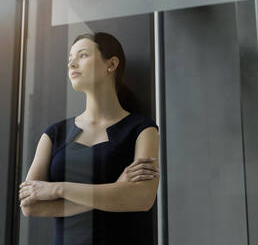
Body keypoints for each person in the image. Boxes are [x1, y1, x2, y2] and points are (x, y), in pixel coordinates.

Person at [18, 32, 160, 245]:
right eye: (69, 59)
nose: (72, 63)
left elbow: (141, 198)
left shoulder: (142, 129)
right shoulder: (54, 133)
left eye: (82, 55)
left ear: (111, 64)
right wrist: (115, 189)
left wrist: (57, 189)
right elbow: (30, 205)